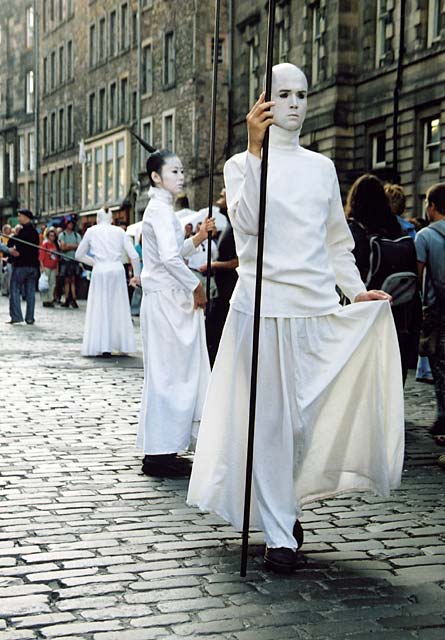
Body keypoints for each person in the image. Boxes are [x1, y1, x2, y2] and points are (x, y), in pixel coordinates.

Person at [187, 63, 405, 574]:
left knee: (304, 422)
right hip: (259, 309)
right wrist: (255, 150)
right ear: (263, 103)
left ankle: (283, 504)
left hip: (314, 309)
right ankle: (280, 532)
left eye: (302, 94)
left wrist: (356, 293)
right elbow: (248, 225)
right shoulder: (241, 165)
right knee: (269, 424)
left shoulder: (321, 168)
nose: (294, 104)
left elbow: (335, 243)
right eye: (283, 94)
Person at [134, 148, 215, 478]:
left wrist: (196, 238)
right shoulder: (158, 209)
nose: (181, 177)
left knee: (173, 373)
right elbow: (168, 259)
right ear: (156, 177)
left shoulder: (162, 210)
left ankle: (164, 449)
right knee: (169, 375)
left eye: (182, 171)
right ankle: (159, 454)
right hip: (167, 300)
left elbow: (169, 253)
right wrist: (195, 285)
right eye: (174, 172)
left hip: (167, 298)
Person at [346, 174, 421, 384]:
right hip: (399, 313)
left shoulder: (355, 230)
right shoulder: (396, 228)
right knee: (393, 372)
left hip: (366, 312)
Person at [75, 207, 140, 357]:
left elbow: (79, 254)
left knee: (100, 306)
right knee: (117, 306)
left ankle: (102, 344)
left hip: (100, 270)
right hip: (117, 270)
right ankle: (119, 343)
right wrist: (136, 276)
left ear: (98, 218)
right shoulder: (120, 232)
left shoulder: (92, 231)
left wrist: (94, 263)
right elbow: (134, 256)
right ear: (111, 219)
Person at [415, 183, 445, 439]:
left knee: (439, 363)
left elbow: (419, 274)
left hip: (437, 310)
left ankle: (443, 418)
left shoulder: (424, 236)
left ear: (433, 206)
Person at [199, 188, 239, 365]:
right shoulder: (229, 226)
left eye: (222, 196)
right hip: (222, 291)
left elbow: (239, 261)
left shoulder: (238, 226)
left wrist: (213, 265)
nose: (217, 200)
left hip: (229, 292)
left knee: (216, 333)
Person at [7, 209, 40, 325]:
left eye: (20, 216)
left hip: (21, 265)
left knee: (15, 289)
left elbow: (10, 244)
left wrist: (14, 234)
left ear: (26, 217)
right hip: (33, 266)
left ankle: (16, 316)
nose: (19, 218)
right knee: (30, 292)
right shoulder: (35, 232)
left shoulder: (22, 232)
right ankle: (30, 317)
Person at [59, 216, 81, 308]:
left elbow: (80, 247)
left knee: (74, 280)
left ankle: (74, 299)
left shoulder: (77, 235)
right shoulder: (62, 235)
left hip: (74, 260)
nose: (70, 225)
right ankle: (67, 298)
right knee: (66, 281)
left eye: (72, 223)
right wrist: (73, 246)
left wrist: (68, 246)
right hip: (65, 260)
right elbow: (63, 247)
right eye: (69, 223)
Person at [39, 228, 59, 307]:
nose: (52, 237)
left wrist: (57, 268)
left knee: (52, 283)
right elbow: (41, 256)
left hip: (53, 267)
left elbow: (57, 258)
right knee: (45, 284)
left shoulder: (55, 245)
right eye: (51, 236)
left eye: (53, 236)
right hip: (46, 266)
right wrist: (42, 266)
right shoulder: (45, 244)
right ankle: (45, 299)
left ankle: (50, 299)